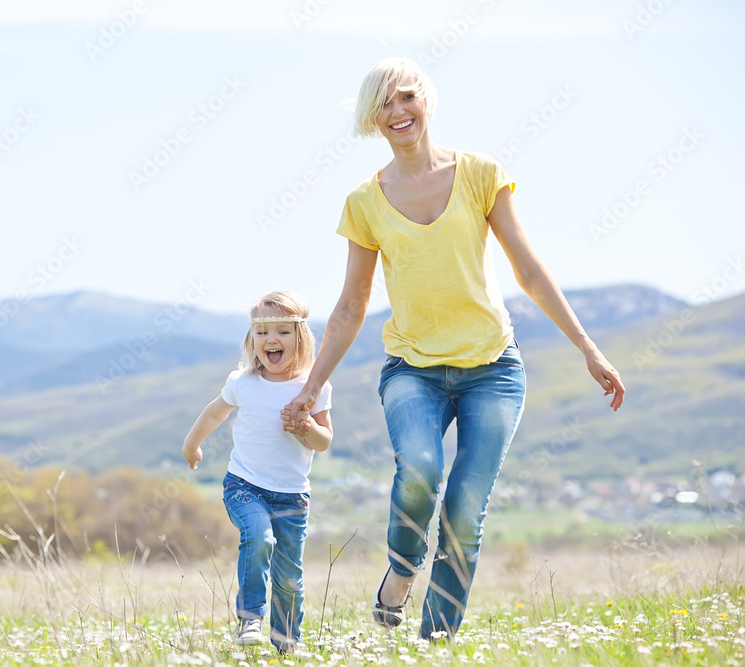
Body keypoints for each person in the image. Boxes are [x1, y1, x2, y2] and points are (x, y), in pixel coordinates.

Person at [285, 58, 626, 640]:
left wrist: (588, 347)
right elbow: (350, 306)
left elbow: (528, 268)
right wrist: (312, 386)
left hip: (492, 370)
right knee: (418, 469)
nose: (398, 111)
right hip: (411, 369)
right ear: (372, 118)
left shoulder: (480, 173)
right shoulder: (364, 202)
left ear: (427, 100)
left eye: (407, 97)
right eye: (384, 103)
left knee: (466, 509)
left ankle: (434, 642)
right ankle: (400, 570)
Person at [183, 290, 333, 651]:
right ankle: (250, 616)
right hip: (244, 485)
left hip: (293, 496)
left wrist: (306, 428)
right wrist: (192, 444)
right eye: (263, 332)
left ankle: (286, 641)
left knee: (289, 576)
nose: (272, 340)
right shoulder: (243, 382)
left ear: (301, 338)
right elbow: (215, 412)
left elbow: (324, 440)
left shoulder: (313, 387)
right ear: (252, 340)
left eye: (282, 331)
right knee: (259, 537)